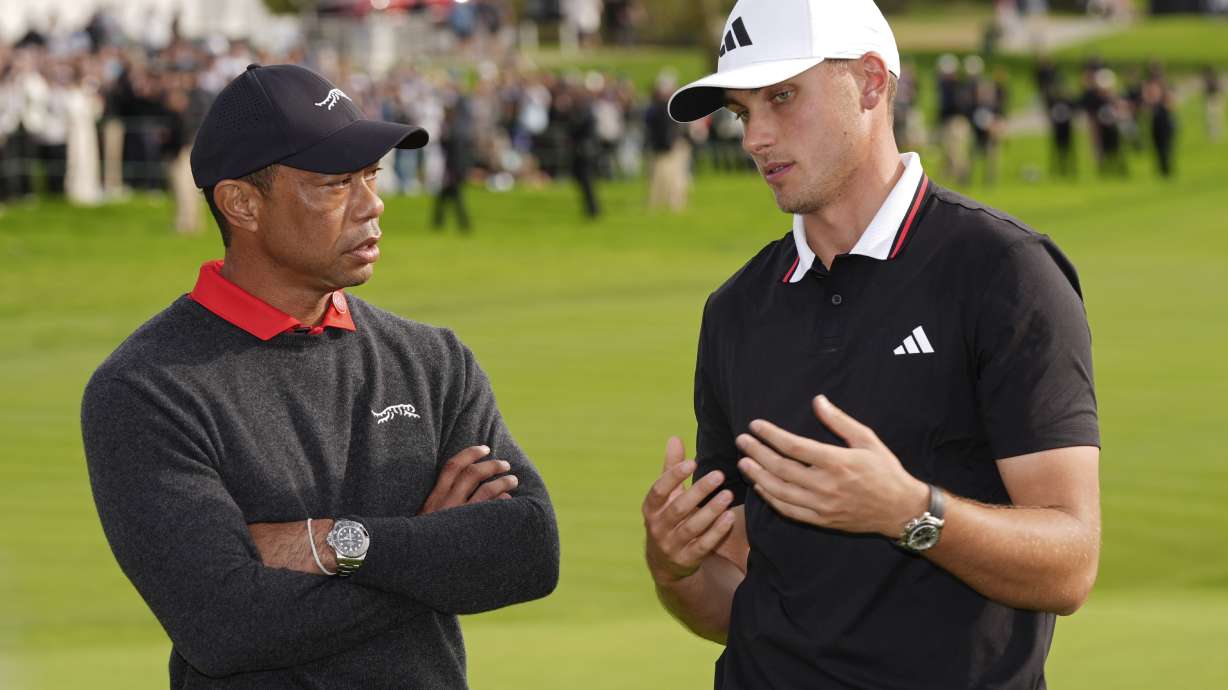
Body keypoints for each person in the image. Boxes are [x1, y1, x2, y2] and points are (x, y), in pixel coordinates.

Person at [644, 1, 1101, 688]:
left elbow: (1070, 562)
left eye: (781, 97)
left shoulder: (1003, 272)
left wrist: (910, 513)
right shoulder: (735, 310)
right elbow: (736, 600)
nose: (754, 138)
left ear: (869, 84)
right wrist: (673, 567)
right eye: (743, 111)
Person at [81, 64, 559, 689]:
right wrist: (433, 553)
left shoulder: (432, 358)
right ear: (242, 203)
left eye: (371, 175)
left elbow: (528, 550)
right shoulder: (146, 388)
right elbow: (226, 625)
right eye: (337, 183)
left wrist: (340, 542)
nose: (373, 203)